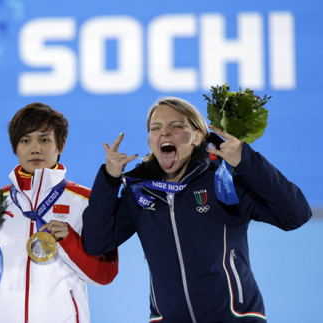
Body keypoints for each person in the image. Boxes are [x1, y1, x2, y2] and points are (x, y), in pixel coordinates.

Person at [81, 97, 312, 322]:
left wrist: (246, 161)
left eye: (177, 126)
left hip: (235, 318)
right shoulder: (140, 193)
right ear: (150, 139)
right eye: (156, 127)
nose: (165, 132)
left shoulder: (223, 180)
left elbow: (296, 214)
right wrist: (109, 180)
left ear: (197, 136)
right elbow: (96, 243)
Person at [0, 102, 118, 323]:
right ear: (15, 147)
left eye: (44, 140)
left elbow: (104, 275)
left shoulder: (87, 201)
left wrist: (70, 241)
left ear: (61, 144)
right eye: (25, 140)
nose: (35, 148)